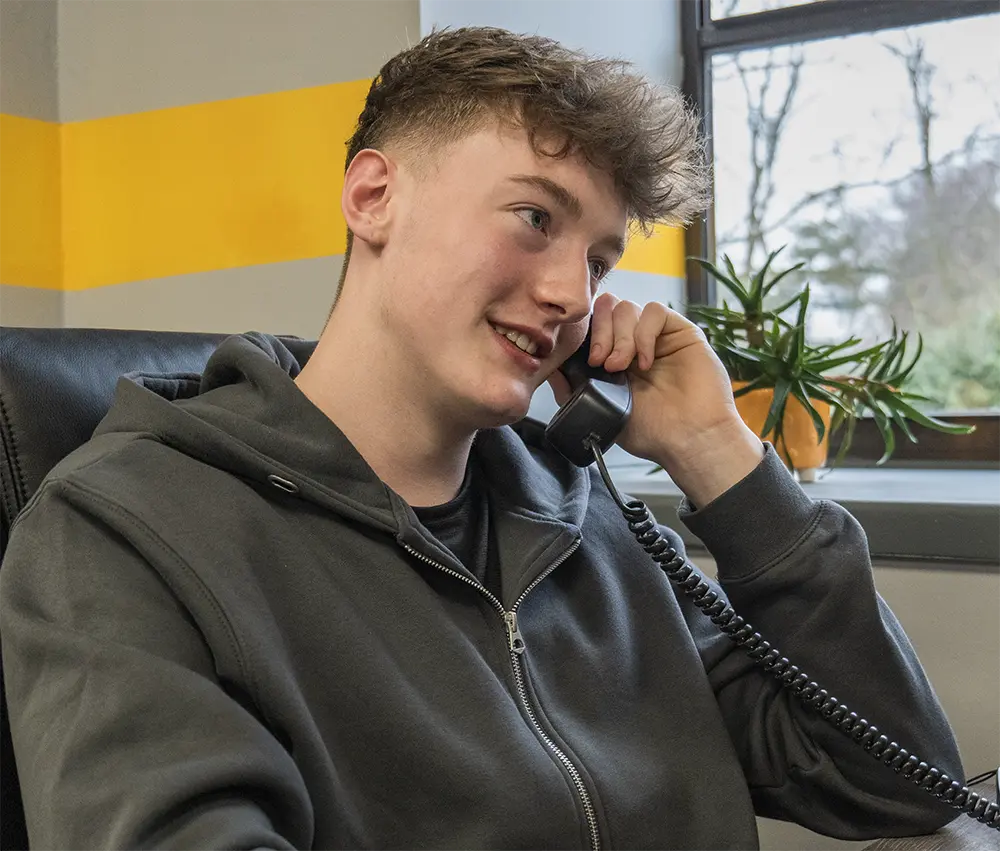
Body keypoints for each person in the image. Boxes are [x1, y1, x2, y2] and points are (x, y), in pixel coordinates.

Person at [0, 26, 964, 851]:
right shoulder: (120, 528)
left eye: (598, 259)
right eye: (534, 218)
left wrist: (717, 449)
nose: (571, 296)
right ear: (373, 196)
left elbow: (899, 780)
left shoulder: (588, 523)